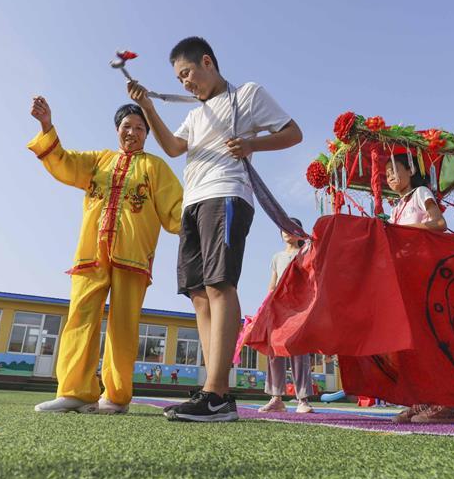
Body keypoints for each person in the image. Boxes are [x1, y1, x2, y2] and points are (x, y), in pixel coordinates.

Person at [127, 37, 302, 423]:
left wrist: (251, 143)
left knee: (219, 285)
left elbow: (293, 133)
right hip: (193, 201)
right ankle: (214, 390)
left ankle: (217, 393)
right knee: (198, 295)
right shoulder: (194, 114)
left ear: (207, 62)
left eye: (187, 73)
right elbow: (173, 148)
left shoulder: (248, 95)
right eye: (179, 77)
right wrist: (147, 108)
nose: (184, 82)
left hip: (226, 194)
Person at [29, 97, 183, 415]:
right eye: (127, 126)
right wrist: (47, 126)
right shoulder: (99, 161)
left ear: (147, 134)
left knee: (123, 325)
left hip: (134, 256)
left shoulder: (155, 167)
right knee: (80, 318)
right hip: (91, 253)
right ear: (117, 129)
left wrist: (199, 225)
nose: (133, 132)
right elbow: (65, 162)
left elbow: (176, 208)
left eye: (140, 128)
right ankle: (75, 391)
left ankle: (115, 396)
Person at [384, 153, 454, 424]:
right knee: (413, 340)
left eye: (395, 169)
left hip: (427, 272)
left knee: (431, 335)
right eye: (386, 174)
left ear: (411, 169)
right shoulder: (395, 207)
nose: (390, 176)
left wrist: (405, 231)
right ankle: (422, 399)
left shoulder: (420, 192)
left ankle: (445, 403)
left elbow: (439, 223)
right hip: (406, 275)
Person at [259, 218, 315, 414]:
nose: (285, 232)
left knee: (299, 352)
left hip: (299, 308)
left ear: (299, 232)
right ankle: (276, 398)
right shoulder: (277, 257)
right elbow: (272, 285)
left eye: (290, 228)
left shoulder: (306, 253)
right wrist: (266, 307)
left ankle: (303, 399)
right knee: (274, 352)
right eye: (282, 228)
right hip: (278, 309)